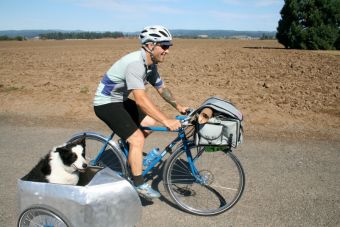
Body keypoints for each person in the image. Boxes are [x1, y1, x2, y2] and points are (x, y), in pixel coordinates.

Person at [93, 25, 188, 199]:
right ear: (150, 46)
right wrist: (166, 120)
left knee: (150, 122)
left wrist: (179, 106)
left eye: (168, 47)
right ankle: (138, 184)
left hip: (119, 100)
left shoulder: (151, 66)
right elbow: (141, 100)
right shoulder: (136, 64)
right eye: (164, 46)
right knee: (137, 138)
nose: (167, 51)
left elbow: (161, 89)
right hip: (105, 103)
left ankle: (130, 152)